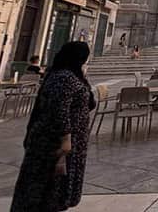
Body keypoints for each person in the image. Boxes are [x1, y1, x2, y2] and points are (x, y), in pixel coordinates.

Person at [11, 41, 96, 211]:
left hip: (66, 138)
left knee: (56, 182)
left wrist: (84, 77)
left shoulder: (68, 75)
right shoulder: (64, 77)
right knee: (49, 183)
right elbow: (59, 110)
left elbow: (89, 103)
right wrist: (66, 138)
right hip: (55, 140)